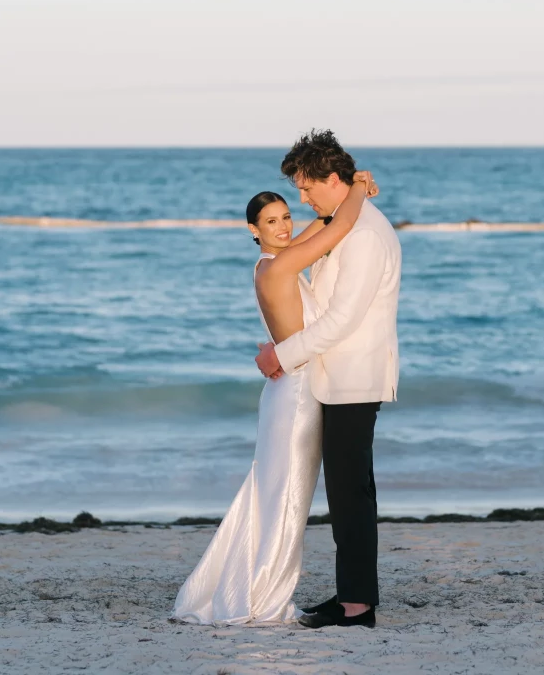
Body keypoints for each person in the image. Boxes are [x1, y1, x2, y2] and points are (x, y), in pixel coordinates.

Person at [171, 167, 378, 625]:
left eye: (286, 216)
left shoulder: (271, 261)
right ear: (252, 230)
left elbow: (321, 226)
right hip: (298, 396)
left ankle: (244, 585)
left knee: (271, 494)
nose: (284, 226)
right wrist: (359, 188)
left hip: (287, 392)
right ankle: (260, 596)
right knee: (285, 500)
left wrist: (334, 204)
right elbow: (339, 226)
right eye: (272, 222)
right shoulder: (282, 265)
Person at [254, 129, 402, 630]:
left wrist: (283, 355)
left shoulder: (362, 235)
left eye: (305, 187)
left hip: (353, 379)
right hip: (338, 376)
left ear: (331, 179)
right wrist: (357, 189)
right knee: (349, 493)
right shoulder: (346, 221)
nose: (302, 197)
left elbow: (342, 320)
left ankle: (357, 608)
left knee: (349, 495)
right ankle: (353, 596)